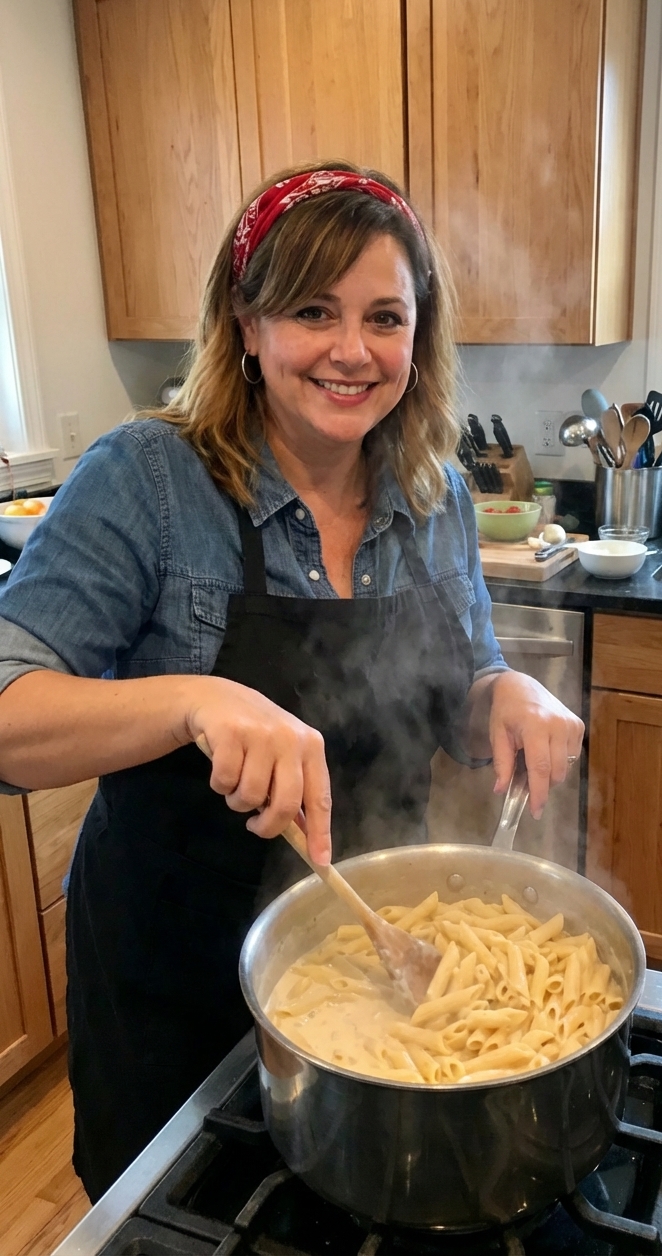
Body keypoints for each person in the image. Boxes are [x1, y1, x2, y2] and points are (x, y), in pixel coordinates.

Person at [0, 161, 584, 1201]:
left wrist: (507, 694)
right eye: (314, 309)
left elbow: (460, 671)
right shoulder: (149, 478)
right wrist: (194, 698)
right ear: (246, 320)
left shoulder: (434, 488)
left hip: (378, 950)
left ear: (421, 333)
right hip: (175, 977)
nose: (353, 350)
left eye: (385, 316)